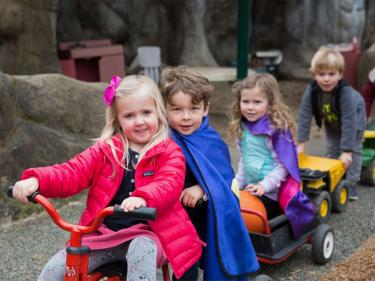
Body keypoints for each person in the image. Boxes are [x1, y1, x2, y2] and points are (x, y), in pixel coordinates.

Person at [12, 75, 203, 281]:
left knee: (142, 250)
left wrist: (144, 198)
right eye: (129, 116)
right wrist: (37, 181)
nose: (139, 121)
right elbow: (71, 171)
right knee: (57, 268)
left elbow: (169, 183)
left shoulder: (169, 152)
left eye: (146, 113)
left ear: (158, 113)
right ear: (118, 119)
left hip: (149, 233)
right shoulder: (107, 149)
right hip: (103, 234)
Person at [159, 66, 259, 281]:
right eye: (176, 109)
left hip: (204, 216)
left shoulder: (210, 141)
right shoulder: (163, 139)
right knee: (185, 266)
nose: (186, 117)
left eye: (193, 109)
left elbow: (224, 178)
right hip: (173, 217)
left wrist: (203, 188)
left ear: (205, 109)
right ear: (164, 109)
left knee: (206, 259)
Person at [229, 72, 315, 238]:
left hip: (272, 193)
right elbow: (244, 161)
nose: (250, 107)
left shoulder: (274, 130)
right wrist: (237, 184)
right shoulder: (243, 127)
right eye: (245, 101)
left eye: (257, 102)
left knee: (249, 216)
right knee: (229, 204)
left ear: (270, 103)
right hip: (251, 188)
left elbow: (283, 166)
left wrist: (264, 186)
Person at [298, 47, 366, 200]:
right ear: (314, 75)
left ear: (340, 74)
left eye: (332, 74)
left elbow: (350, 121)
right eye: (321, 74)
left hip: (354, 120)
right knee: (332, 150)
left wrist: (347, 150)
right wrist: (301, 142)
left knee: (353, 151)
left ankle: (350, 184)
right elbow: (304, 115)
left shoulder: (346, 93)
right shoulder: (312, 90)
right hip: (332, 121)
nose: (326, 79)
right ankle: (334, 179)